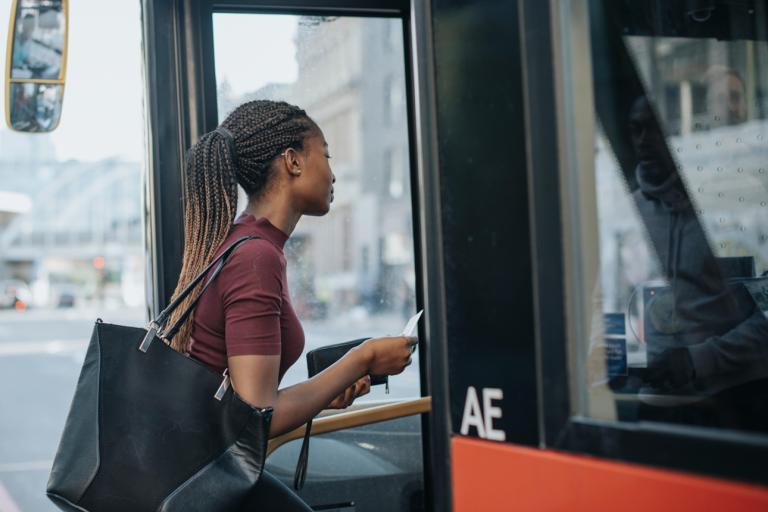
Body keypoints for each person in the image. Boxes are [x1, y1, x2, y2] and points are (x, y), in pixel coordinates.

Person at [164, 100, 417, 510]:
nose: (333, 173)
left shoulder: (246, 244)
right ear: (293, 162)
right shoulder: (255, 257)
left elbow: (242, 399)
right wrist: (364, 357)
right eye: (327, 155)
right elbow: (257, 413)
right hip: (208, 481)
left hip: (204, 470)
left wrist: (326, 391)